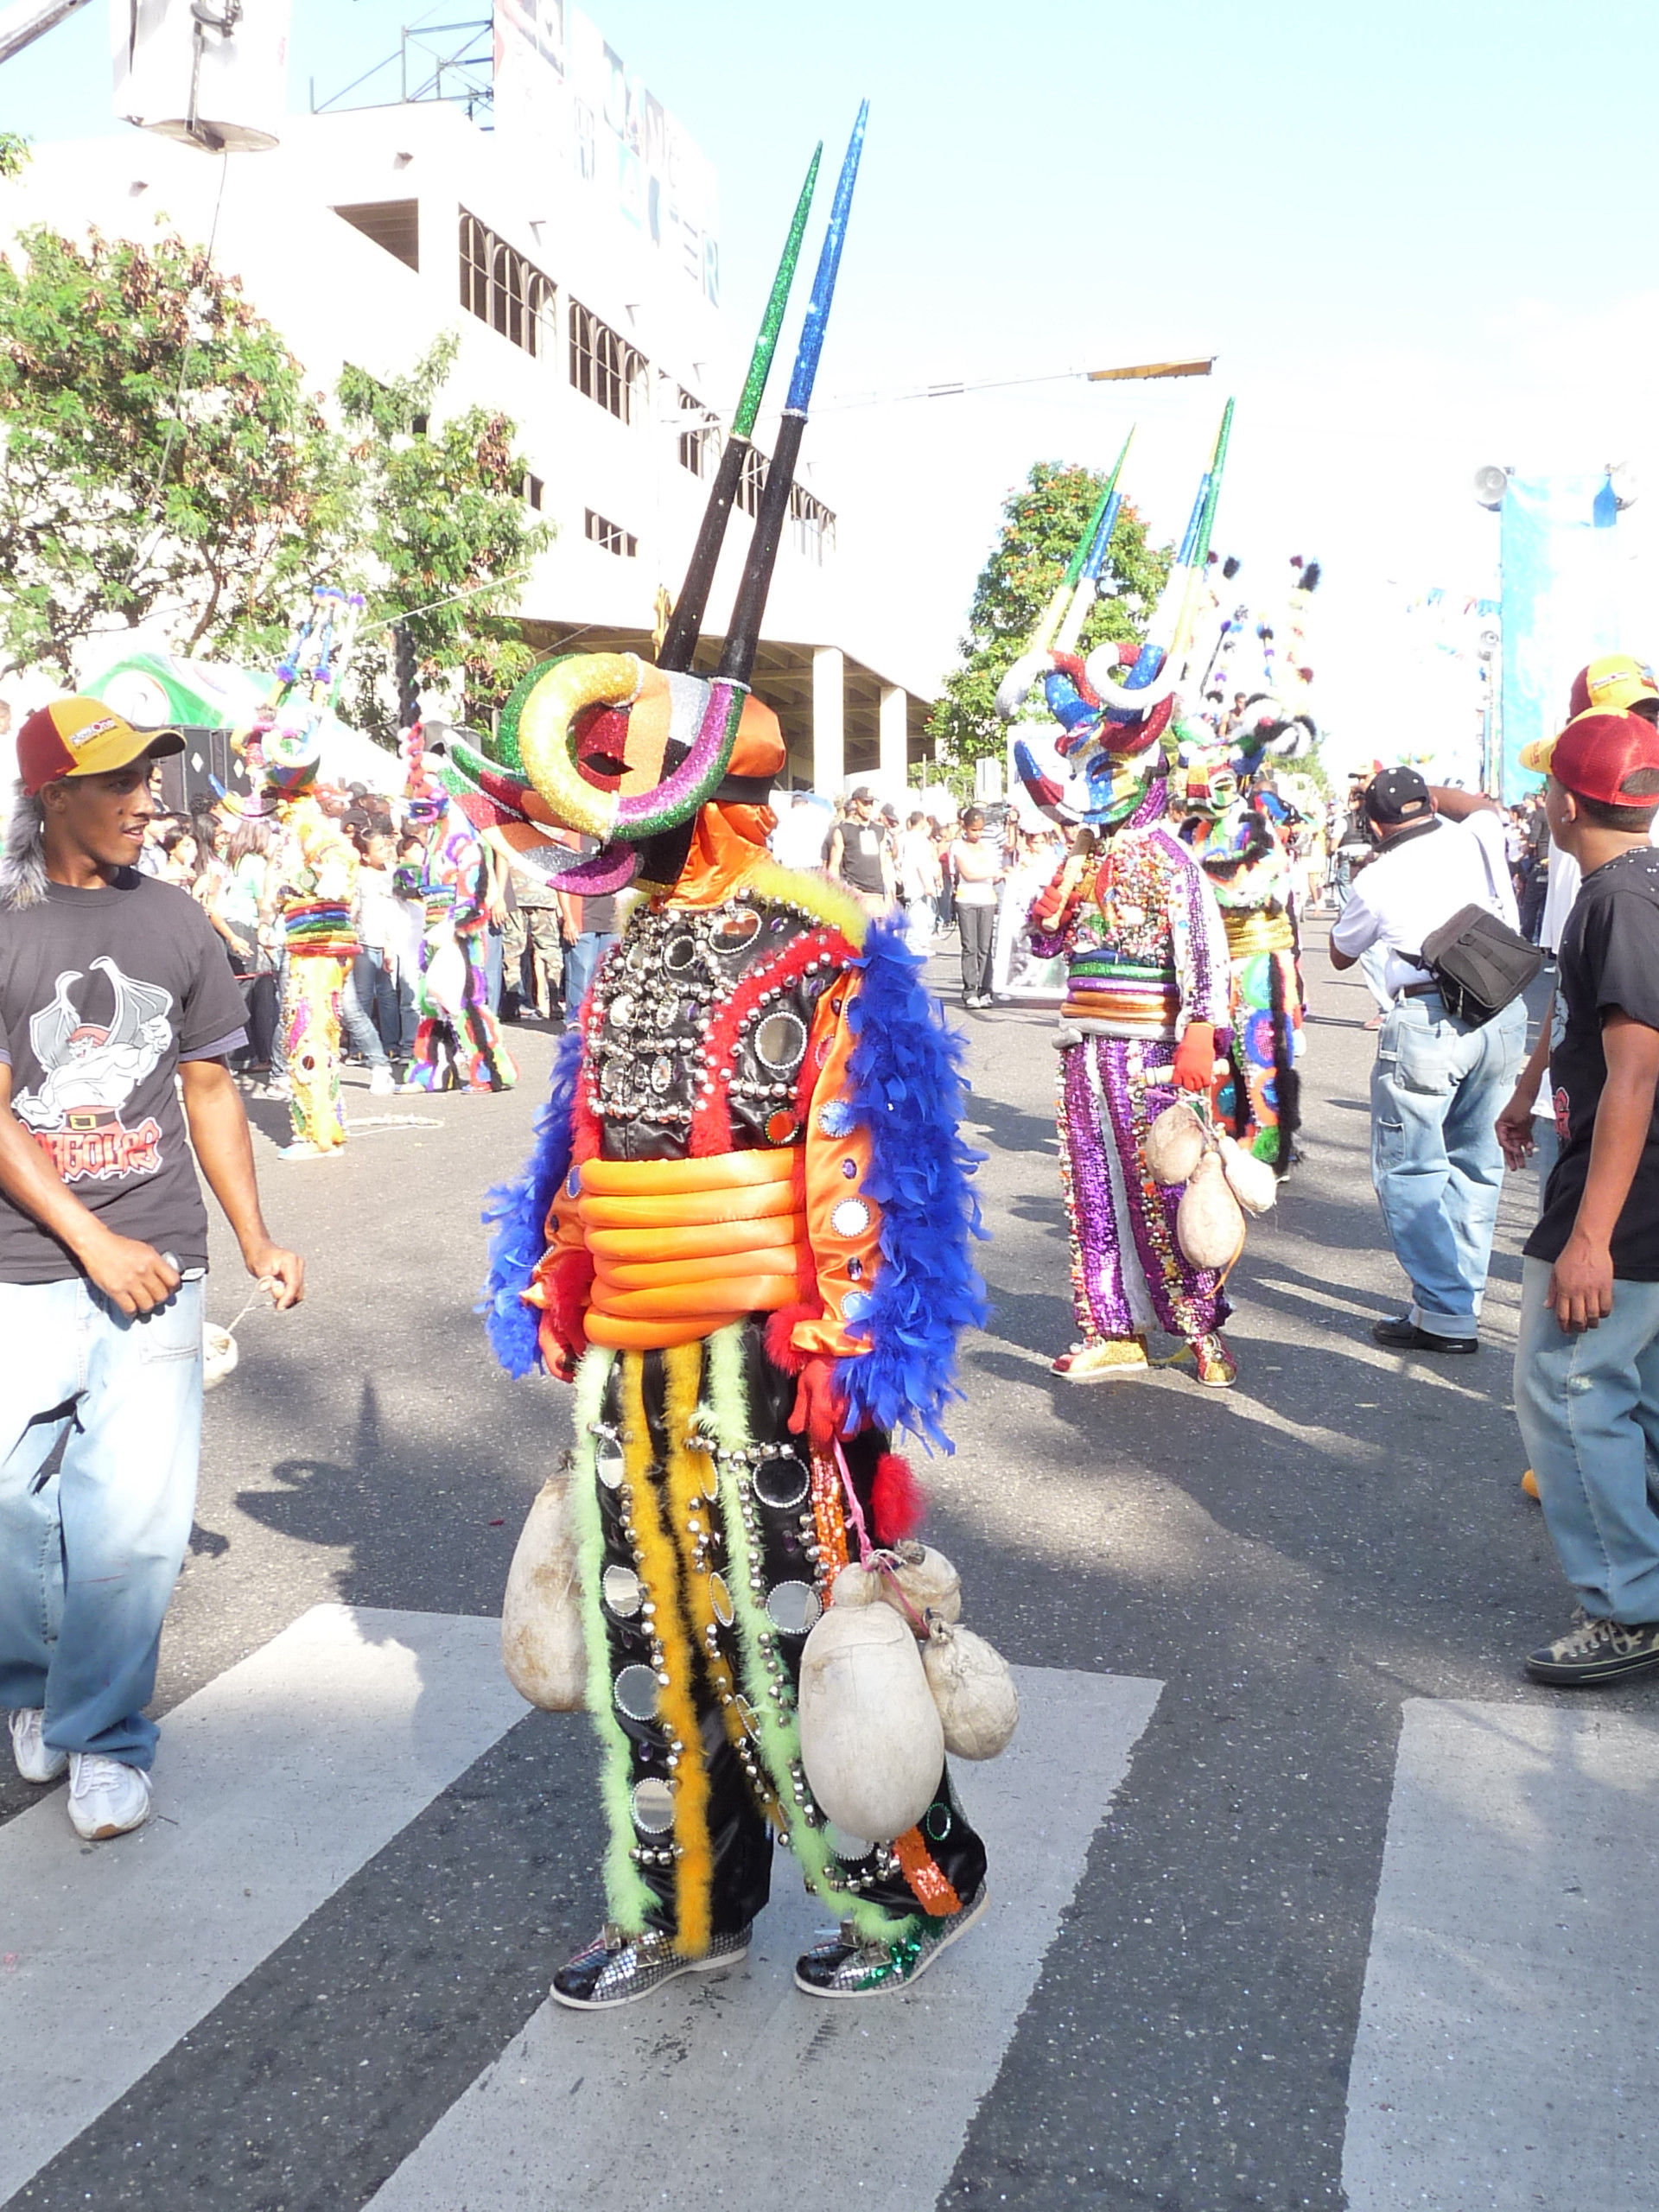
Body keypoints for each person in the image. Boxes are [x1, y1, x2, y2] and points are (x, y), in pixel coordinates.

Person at [0, 696, 302, 1840]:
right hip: (25, 1261)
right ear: (52, 795)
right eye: (119, 781)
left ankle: (104, 1736)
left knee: (130, 1519)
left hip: (161, 1251)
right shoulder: (3, 924)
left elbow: (211, 1092)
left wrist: (256, 1235)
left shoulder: (178, 923)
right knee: (11, 1512)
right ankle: (26, 1689)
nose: (146, 800)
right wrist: (91, 1240)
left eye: (150, 777)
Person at [1492, 713, 1659, 1681]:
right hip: (1627, 1174)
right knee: (1633, 1389)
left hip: (1626, 1190)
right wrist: (1528, 1088)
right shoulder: (1620, 889)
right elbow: (1594, 1023)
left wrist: (1589, 1236)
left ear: (1563, 800)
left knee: (1568, 1383)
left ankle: (1629, 1606)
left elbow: (1635, 1070)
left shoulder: (1618, 903)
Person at [1328, 766, 1527, 1353]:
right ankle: (1458, 1299)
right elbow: (1484, 802)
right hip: (1503, 1010)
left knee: (1411, 1167)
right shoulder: (1476, 836)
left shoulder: (1379, 876)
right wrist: (1442, 798)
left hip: (1430, 1021)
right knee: (1477, 1162)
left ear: (1373, 822)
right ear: (1428, 804)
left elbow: (1341, 953)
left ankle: (1444, 1309)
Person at [950, 807, 1003, 1007]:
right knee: (969, 946)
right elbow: (968, 874)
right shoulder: (957, 846)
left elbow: (996, 875)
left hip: (987, 900)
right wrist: (990, 872)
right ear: (965, 827)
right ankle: (970, 990)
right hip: (966, 900)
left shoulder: (988, 847)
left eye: (980, 830)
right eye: (974, 830)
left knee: (985, 947)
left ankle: (985, 989)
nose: (977, 834)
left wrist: (993, 873)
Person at [826, 785, 894, 915]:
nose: (869, 807)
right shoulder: (843, 830)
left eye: (871, 803)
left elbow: (883, 864)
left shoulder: (879, 830)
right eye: (865, 803)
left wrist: (890, 894)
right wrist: (835, 894)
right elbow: (834, 865)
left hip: (877, 895)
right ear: (854, 803)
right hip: (855, 893)